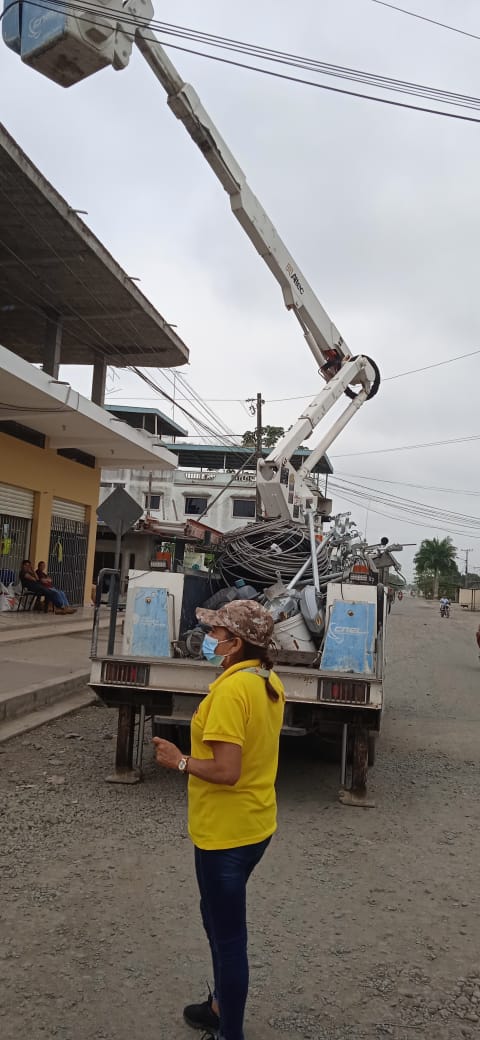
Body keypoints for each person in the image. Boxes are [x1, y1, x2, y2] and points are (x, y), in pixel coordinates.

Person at [153, 599, 285, 1040]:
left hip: (225, 834)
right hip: (253, 824)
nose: (209, 639)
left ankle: (230, 1032)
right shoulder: (265, 679)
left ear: (237, 643)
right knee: (214, 918)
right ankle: (218, 1007)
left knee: (228, 940)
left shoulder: (233, 691)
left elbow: (228, 771)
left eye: (216, 632)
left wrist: (179, 761)